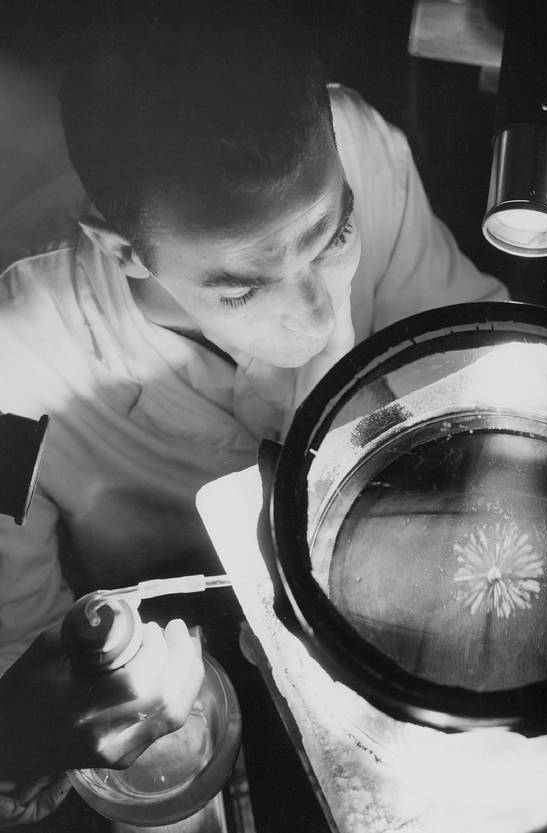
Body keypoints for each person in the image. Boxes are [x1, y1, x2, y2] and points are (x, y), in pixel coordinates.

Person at [0, 0, 506, 822]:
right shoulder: (12, 366)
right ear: (122, 251)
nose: (313, 320)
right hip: (191, 656)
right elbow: (18, 651)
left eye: (333, 237)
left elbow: (466, 346)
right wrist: (39, 725)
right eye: (240, 287)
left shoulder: (359, 146)